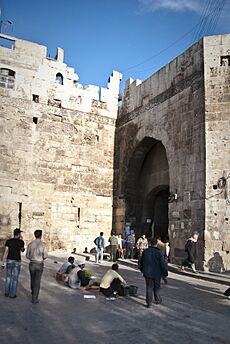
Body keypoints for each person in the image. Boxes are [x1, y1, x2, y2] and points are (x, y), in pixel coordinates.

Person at [140, 237, 168, 308]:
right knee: (157, 287)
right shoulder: (159, 253)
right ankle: (157, 299)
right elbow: (162, 264)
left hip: (147, 273)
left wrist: (142, 270)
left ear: (149, 243)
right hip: (157, 273)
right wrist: (165, 273)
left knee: (149, 287)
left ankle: (149, 302)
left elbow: (141, 262)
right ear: (156, 244)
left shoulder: (145, 252)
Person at [0, 228, 25, 298]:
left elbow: (5, 251)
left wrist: (2, 261)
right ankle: (12, 294)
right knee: (15, 278)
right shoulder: (21, 242)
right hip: (17, 261)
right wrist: (22, 242)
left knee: (8, 277)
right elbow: (22, 250)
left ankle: (6, 292)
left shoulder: (8, 241)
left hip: (9, 260)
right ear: (19, 234)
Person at [26, 230, 48, 304]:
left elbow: (27, 255)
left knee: (32, 279)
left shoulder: (30, 244)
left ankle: (33, 292)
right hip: (39, 264)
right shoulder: (43, 245)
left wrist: (32, 257)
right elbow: (45, 256)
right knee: (37, 281)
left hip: (32, 263)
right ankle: (35, 298)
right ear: (41, 235)